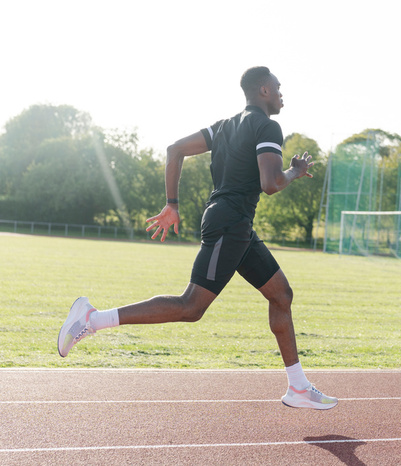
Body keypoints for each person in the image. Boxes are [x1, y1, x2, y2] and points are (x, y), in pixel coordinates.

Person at [58, 66, 337, 410]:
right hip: (230, 223)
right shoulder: (267, 126)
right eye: (278, 88)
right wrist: (294, 171)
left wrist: (172, 204)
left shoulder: (223, 126)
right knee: (191, 307)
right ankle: (92, 319)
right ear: (264, 90)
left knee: (281, 295)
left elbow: (175, 149)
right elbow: (270, 184)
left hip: (236, 225)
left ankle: (298, 387)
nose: (282, 95)